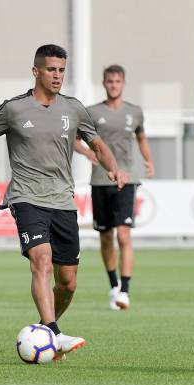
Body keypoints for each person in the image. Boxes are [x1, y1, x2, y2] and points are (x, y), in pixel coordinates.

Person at [0, 44, 127, 361]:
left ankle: (45, 330)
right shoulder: (14, 109)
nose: (57, 76)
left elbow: (97, 143)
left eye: (62, 70)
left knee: (67, 283)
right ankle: (53, 333)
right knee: (41, 259)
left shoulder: (73, 108)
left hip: (63, 202)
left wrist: (114, 169)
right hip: (26, 197)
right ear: (36, 71)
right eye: (51, 69)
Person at [76, 64, 154, 310]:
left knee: (124, 234)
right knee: (106, 236)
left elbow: (141, 138)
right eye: (110, 81)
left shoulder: (135, 112)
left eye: (117, 81)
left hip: (126, 179)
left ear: (123, 83)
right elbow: (74, 141)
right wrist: (88, 152)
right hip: (100, 179)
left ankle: (125, 290)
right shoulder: (92, 112)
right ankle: (113, 284)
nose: (113, 85)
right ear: (104, 83)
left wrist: (148, 160)